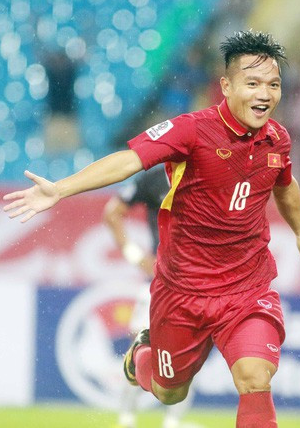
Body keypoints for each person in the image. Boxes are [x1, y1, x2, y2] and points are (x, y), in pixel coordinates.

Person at [3, 30, 300, 428]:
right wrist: (61, 188)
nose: (265, 94)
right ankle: (139, 357)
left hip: (247, 288)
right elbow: (128, 161)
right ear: (226, 86)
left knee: (255, 377)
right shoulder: (191, 130)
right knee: (169, 391)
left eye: (274, 85)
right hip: (182, 291)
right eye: (253, 84)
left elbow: (284, 184)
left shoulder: (277, 139)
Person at [103, 165, 200, 428]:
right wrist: (134, 255)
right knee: (142, 346)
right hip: (160, 283)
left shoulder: (212, 170)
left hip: (197, 284)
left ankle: (171, 422)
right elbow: (112, 212)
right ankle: (127, 419)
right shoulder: (155, 177)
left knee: (189, 354)